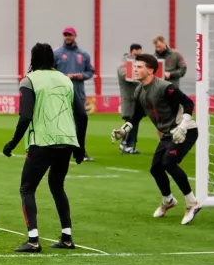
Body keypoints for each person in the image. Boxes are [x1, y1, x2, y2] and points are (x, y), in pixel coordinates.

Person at [3, 43, 88, 253]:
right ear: (53, 59)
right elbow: (82, 115)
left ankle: (33, 240)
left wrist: (12, 143)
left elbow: (25, 116)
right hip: (67, 141)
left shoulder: (29, 80)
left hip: (42, 141)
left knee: (27, 188)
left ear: (32, 58)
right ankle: (67, 237)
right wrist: (80, 147)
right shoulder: (65, 79)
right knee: (57, 186)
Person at [110, 54, 201, 225]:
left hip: (186, 130)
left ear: (150, 70)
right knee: (155, 168)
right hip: (168, 134)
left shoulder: (165, 87)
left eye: (139, 67)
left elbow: (188, 103)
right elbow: (136, 115)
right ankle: (168, 201)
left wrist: (183, 126)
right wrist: (124, 130)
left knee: (168, 162)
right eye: (135, 67)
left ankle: (192, 202)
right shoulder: (139, 90)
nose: (135, 69)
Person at [54, 27, 95, 162]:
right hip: (61, 94)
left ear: (75, 36)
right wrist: (64, 76)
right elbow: (51, 71)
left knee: (80, 123)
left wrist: (80, 75)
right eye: (65, 35)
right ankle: (61, 151)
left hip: (78, 93)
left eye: (69, 35)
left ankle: (80, 151)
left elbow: (90, 71)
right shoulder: (57, 53)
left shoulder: (83, 54)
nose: (67, 37)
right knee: (61, 123)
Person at [116, 44, 143, 154]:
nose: (138, 56)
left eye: (139, 54)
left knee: (133, 122)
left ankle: (126, 144)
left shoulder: (137, 63)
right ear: (131, 52)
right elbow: (125, 75)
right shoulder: (125, 63)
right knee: (132, 122)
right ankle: (127, 145)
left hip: (137, 97)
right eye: (136, 54)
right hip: (129, 97)